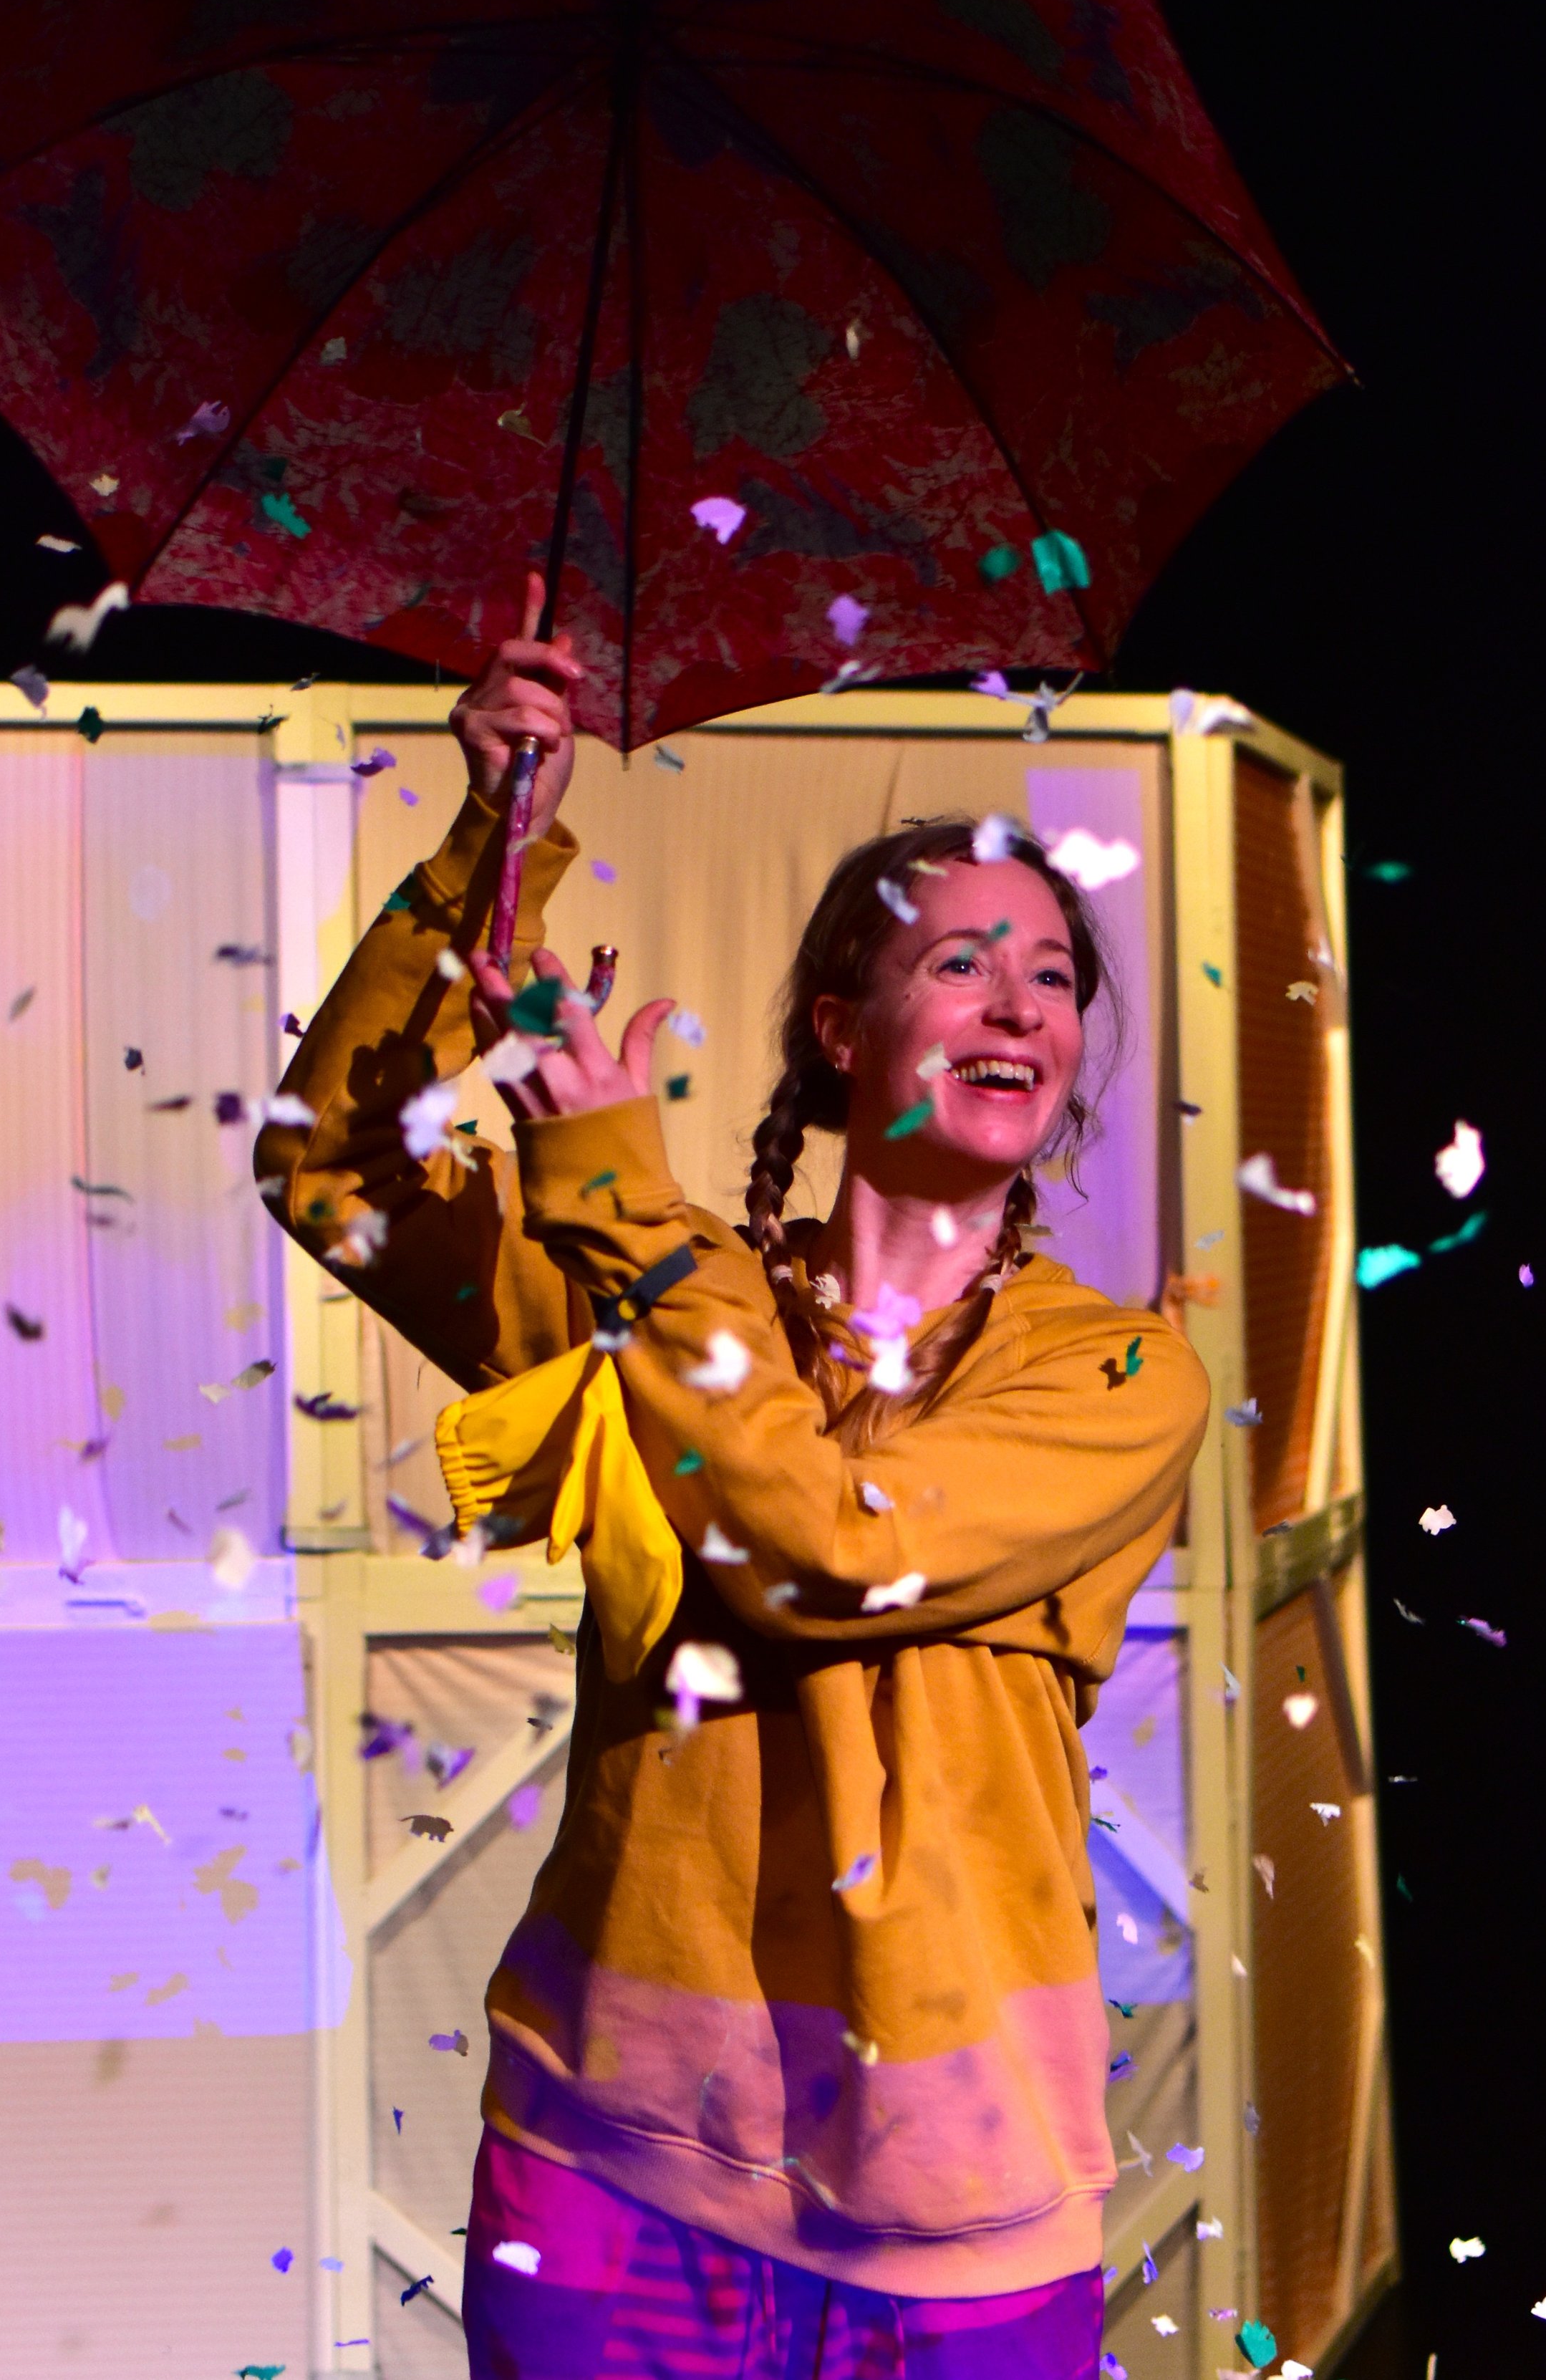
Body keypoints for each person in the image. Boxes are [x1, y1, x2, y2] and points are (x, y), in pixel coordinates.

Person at [259, 601, 1209, 2380]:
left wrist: (613, 1201)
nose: (1019, 1003)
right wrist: (492, 840)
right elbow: (332, 1168)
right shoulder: (670, 1287)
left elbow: (831, 1545)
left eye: (1052, 975)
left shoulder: (1118, 1376)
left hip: (960, 2204)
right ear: (841, 1030)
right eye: (959, 963)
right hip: (612, 2166)